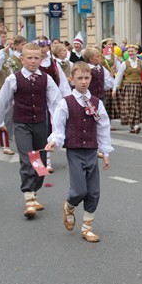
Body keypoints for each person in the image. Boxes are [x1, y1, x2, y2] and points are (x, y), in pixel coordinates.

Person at [0, 43, 62, 218]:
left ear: (42, 59)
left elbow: (56, 104)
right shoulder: (13, 79)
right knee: (27, 158)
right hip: (21, 124)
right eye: (29, 58)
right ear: (22, 59)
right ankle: (28, 197)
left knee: (41, 161)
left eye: (36, 58)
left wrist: (59, 127)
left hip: (40, 123)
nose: (32, 61)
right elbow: (2, 102)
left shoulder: (46, 79)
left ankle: (35, 192)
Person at [45, 62, 112, 243]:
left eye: (86, 78)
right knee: (79, 190)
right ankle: (69, 206)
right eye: (79, 78)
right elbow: (58, 126)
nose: (83, 82)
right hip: (74, 150)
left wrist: (105, 151)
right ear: (72, 79)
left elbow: (103, 127)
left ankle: (87, 227)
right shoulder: (65, 103)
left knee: (94, 191)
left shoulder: (96, 102)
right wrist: (54, 141)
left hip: (91, 150)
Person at [114, 44, 142, 134]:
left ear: (136, 52)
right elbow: (119, 76)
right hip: (128, 87)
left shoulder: (141, 62)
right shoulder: (124, 63)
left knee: (137, 106)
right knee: (129, 107)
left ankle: (136, 125)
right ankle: (133, 125)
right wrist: (115, 88)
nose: (130, 53)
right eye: (129, 51)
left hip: (138, 87)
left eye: (132, 51)